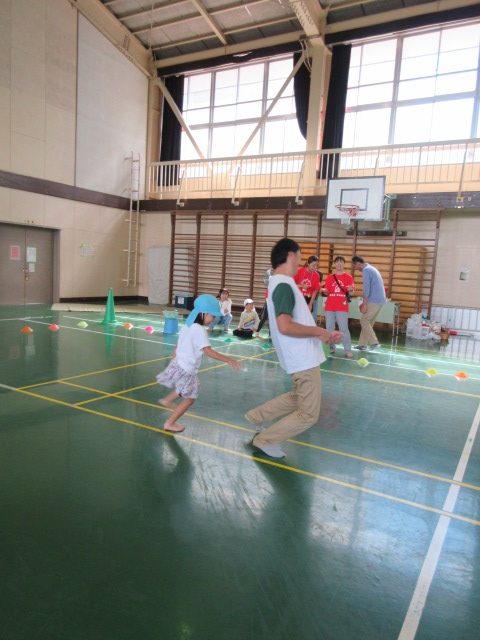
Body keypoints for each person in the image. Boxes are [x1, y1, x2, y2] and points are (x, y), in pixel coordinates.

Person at [245, 238, 342, 458]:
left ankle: (256, 416)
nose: (300, 262)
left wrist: (323, 335)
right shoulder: (284, 285)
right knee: (309, 414)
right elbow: (285, 326)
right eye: (298, 257)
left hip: (300, 356)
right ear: (290, 255)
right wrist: (319, 332)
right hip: (303, 359)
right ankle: (265, 440)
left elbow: (292, 322)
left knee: (298, 397)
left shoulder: (282, 284)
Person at [157, 294, 240, 433]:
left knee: (184, 387)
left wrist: (176, 358)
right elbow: (207, 351)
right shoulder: (199, 330)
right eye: (212, 316)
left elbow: (177, 345)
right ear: (203, 313)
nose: (213, 319)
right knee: (190, 398)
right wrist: (229, 359)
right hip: (186, 369)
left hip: (178, 364)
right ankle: (169, 423)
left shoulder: (188, 325)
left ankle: (167, 401)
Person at [351, 255, 387, 350]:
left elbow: (367, 289)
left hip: (374, 300)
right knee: (367, 322)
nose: (355, 268)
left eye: (355, 266)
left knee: (364, 320)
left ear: (358, 263)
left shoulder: (366, 270)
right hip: (380, 300)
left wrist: (364, 304)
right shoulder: (372, 268)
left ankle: (374, 342)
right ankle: (362, 344)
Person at [323, 256, 354, 358]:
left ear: (344, 264)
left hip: (342, 307)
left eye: (341, 262)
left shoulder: (349, 277)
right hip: (329, 306)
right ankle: (331, 347)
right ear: (334, 264)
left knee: (344, 328)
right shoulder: (330, 277)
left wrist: (351, 290)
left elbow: (352, 293)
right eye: (337, 262)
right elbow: (327, 291)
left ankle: (348, 349)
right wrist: (324, 291)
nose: (339, 264)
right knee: (329, 328)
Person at [256, 268, 272, 337]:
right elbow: (266, 278)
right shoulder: (269, 285)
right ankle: (257, 331)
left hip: (274, 303)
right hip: (268, 303)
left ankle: (270, 335)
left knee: (271, 320)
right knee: (264, 318)